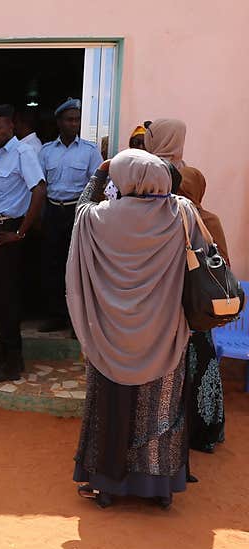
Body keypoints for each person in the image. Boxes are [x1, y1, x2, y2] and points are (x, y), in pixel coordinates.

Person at [67, 149, 200, 510]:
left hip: (111, 332)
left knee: (110, 406)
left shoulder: (100, 218)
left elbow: (79, 211)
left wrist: (98, 175)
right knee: (160, 408)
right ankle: (158, 488)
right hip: (164, 331)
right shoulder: (183, 214)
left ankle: (107, 484)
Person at [145, 118, 229, 454]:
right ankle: (203, 432)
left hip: (163, 304)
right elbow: (222, 263)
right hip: (194, 309)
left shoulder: (151, 194)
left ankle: (166, 434)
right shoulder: (205, 218)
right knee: (199, 366)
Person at [0, 104, 46, 382]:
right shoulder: (1, 154)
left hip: (8, 231)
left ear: (12, 126)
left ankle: (12, 364)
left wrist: (20, 232)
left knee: (8, 299)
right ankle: (6, 356)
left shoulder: (23, 152)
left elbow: (39, 189)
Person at [37, 98, 102, 333]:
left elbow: (99, 184)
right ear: (59, 122)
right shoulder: (46, 151)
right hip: (54, 211)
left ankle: (77, 322)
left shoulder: (89, 150)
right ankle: (56, 316)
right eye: (69, 120)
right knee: (52, 265)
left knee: (77, 266)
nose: (74, 124)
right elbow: (39, 186)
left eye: (76, 120)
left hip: (77, 211)